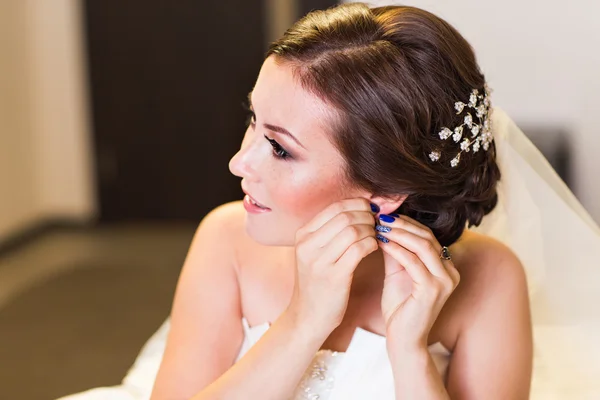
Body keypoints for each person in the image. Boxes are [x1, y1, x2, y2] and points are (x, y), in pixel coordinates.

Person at [60, 3, 600, 400]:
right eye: (254, 121)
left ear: (386, 192)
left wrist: (410, 354)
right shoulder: (225, 238)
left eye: (278, 147)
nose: (238, 163)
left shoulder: (488, 277)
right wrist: (302, 323)